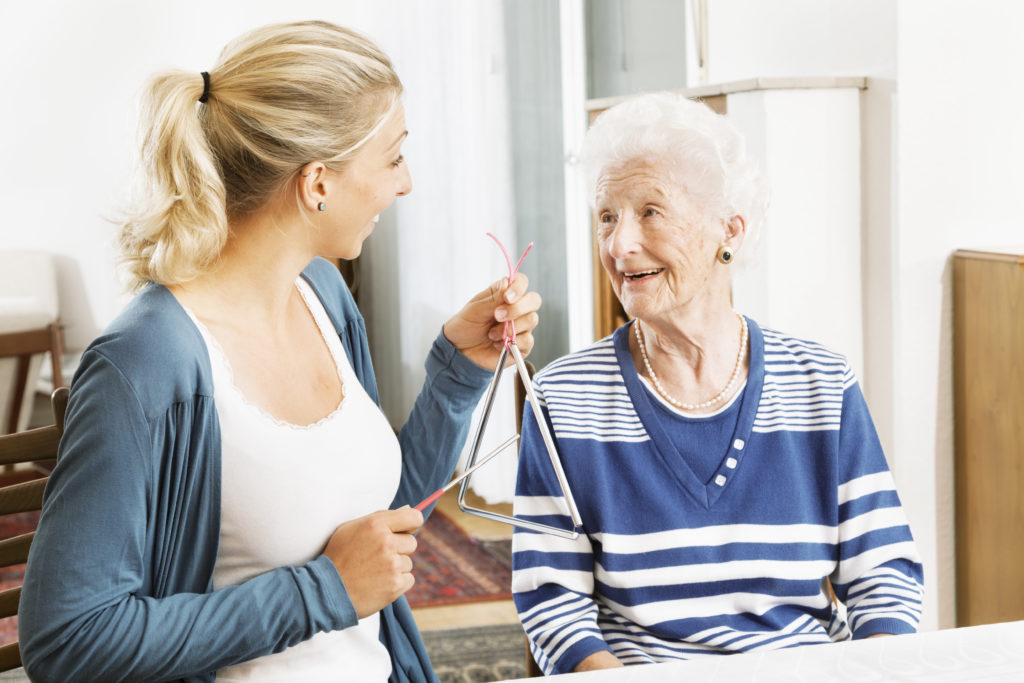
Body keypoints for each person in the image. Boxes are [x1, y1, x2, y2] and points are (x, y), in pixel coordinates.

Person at [19, 20, 541, 683]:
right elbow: (68, 639)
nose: (404, 183)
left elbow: (378, 533)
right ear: (317, 181)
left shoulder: (323, 293)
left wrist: (460, 367)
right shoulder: (146, 362)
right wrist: (324, 590)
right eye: (393, 157)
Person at [511, 92, 923, 674]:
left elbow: (883, 573)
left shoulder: (820, 384)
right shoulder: (564, 397)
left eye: (650, 211)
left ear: (728, 228)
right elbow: (551, 602)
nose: (620, 244)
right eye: (608, 216)